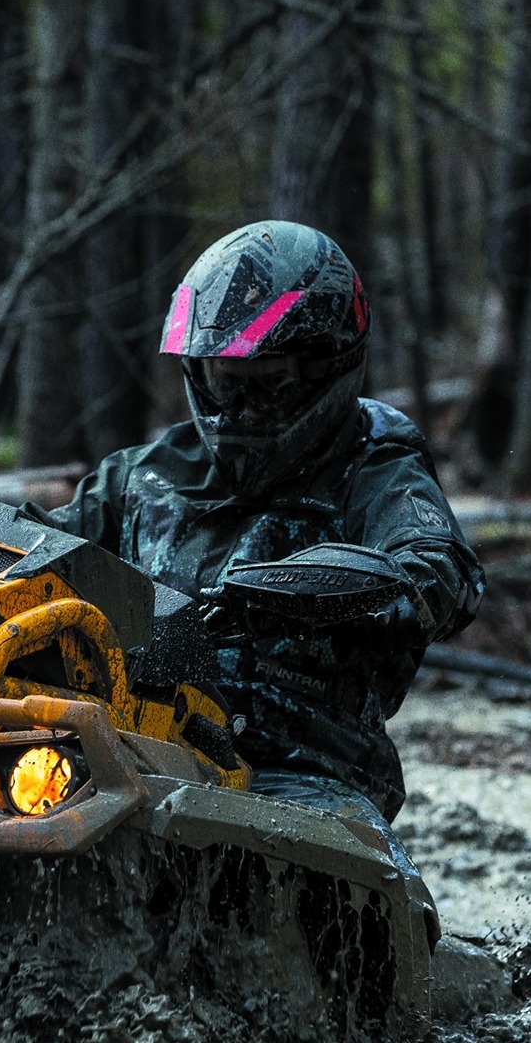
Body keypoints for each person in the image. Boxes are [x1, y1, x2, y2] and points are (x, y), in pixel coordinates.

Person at [41, 220, 484, 932]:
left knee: (369, 919)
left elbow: (440, 572)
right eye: (223, 384)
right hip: (127, 751)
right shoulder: (140, 477)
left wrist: (313, 594)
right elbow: (39, 551)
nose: (238, 410)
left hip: (295, 773)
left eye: (266, 387)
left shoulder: (374, 464)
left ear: (326, 368)